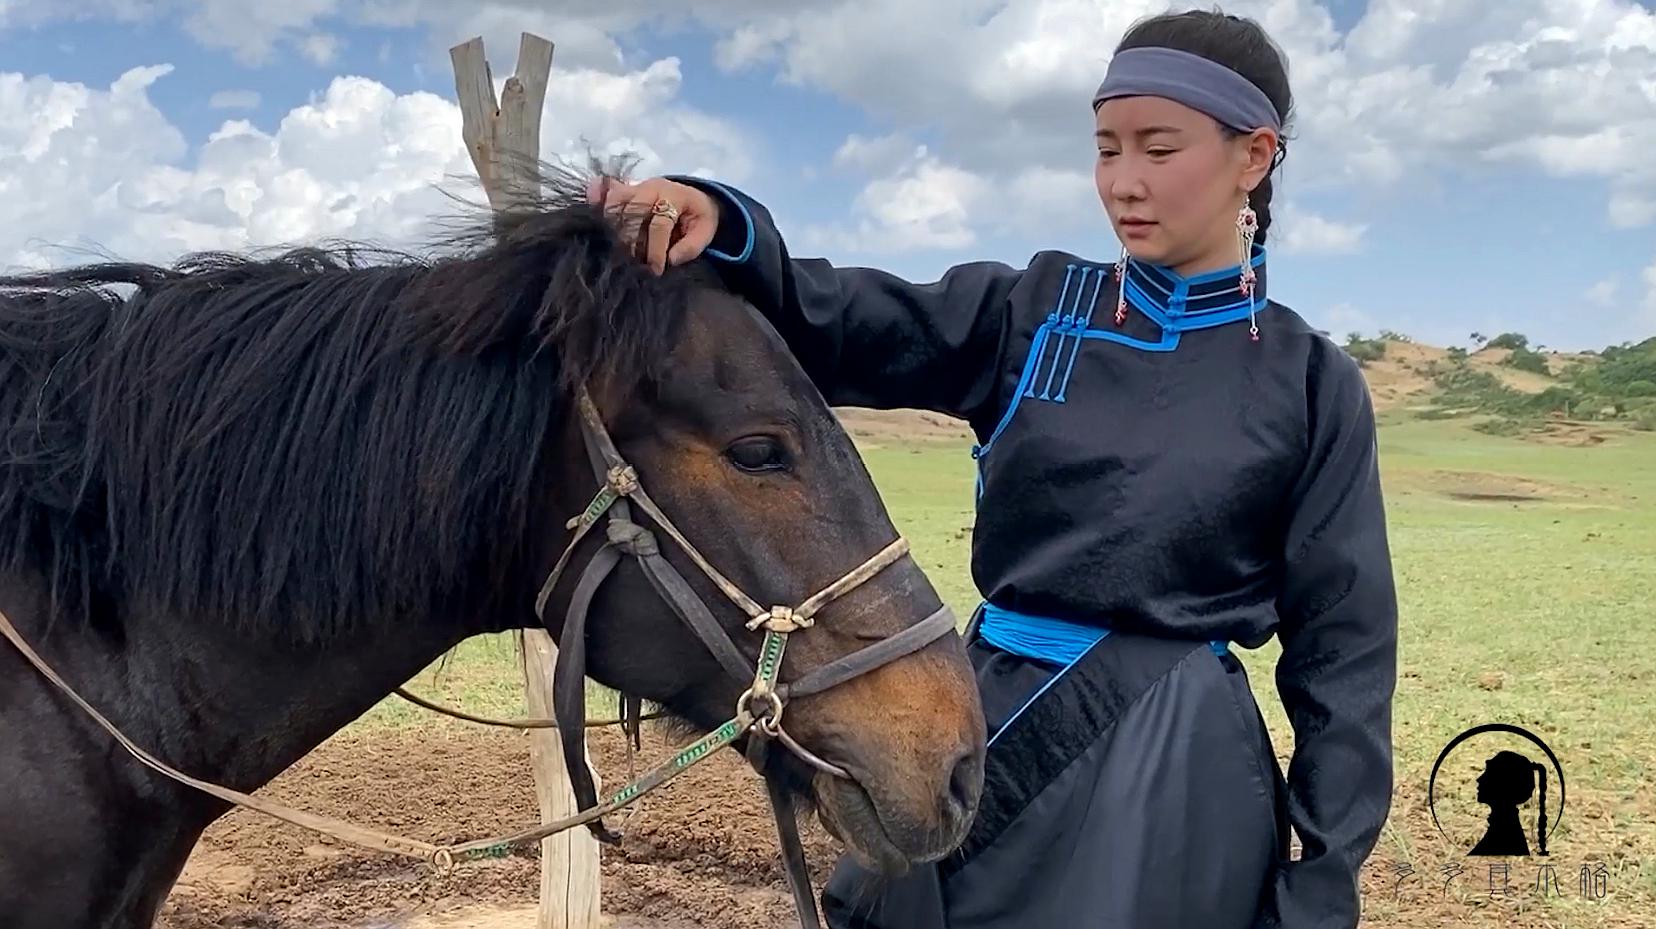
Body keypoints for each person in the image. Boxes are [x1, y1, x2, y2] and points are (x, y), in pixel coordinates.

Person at [588, 8, 1397, 928]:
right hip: (993, 719)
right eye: (1106, 149)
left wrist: (1324, 880)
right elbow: (843, 318)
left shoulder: (1308, 383)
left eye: (1158, 149)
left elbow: (1345, 658)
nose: (1123, 182)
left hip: (1176, 776)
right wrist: (726, 224)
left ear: (1253, 157)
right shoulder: (1035, 308)